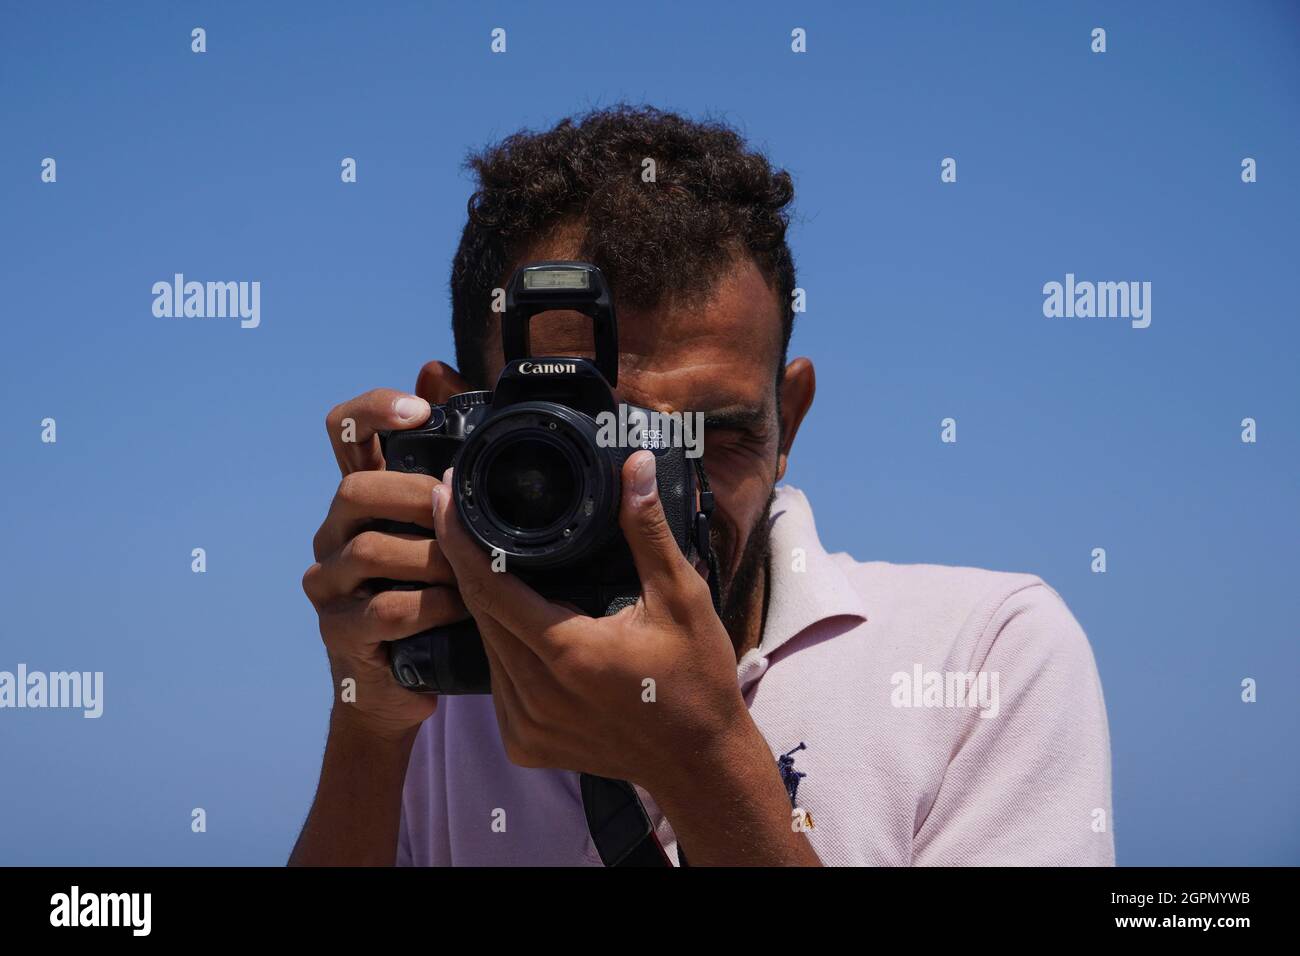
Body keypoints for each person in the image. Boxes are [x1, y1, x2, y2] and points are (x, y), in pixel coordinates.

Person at [291, 105, 1114, 867]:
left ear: (787, 419)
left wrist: (703, 759)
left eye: (714, 436)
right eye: (573, 449)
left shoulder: (981, 657)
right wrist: (369, 720)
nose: (654, 488)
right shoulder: (434, 677)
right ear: (452, 419)